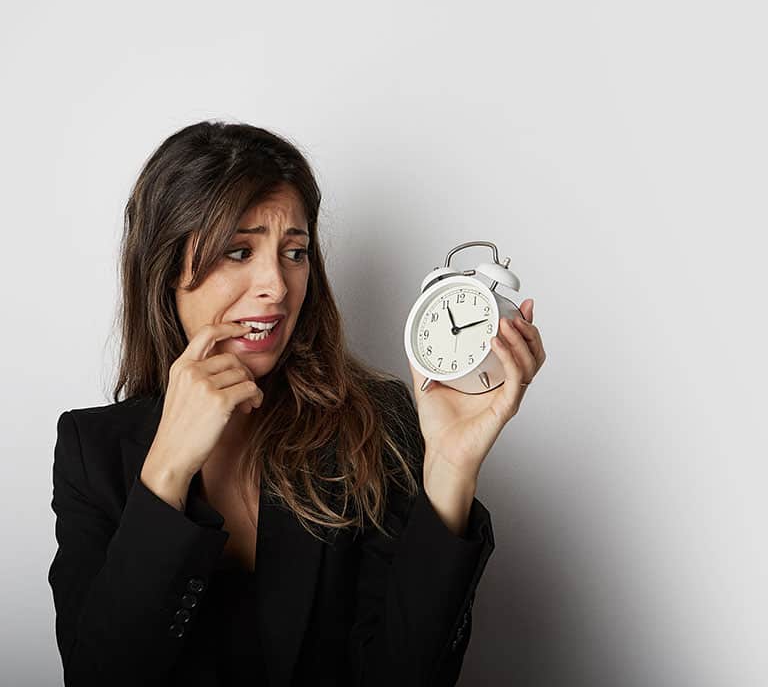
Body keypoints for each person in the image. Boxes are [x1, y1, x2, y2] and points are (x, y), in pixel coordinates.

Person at [47, 121, 547, 686]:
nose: (278, 287)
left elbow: (406, 676)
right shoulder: (93, 452)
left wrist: (452, 469)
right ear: (166, 270)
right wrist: (166, 470)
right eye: (239, 251)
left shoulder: (373, 422)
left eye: (294, 252)